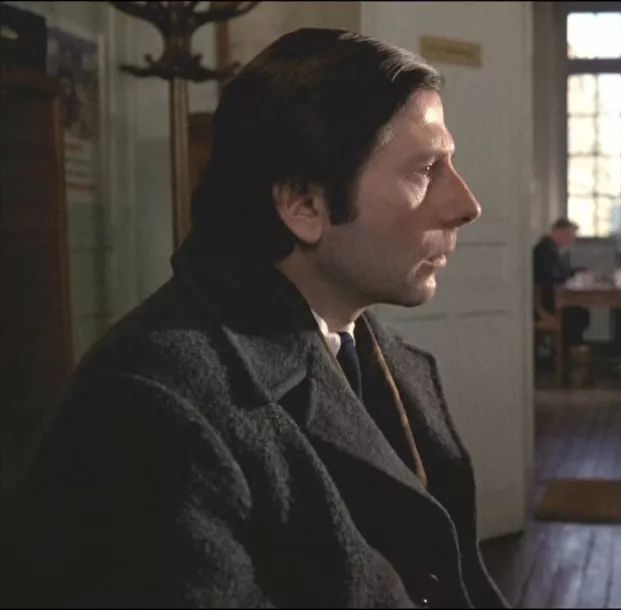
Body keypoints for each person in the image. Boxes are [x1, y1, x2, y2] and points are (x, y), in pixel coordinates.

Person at [0, 29, 506, 608]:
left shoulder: (386, 359)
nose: (467, 204)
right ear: (304, 204)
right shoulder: (148, 409)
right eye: (425, 170)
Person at [532, 217, 589, 346]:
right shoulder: (545, 251)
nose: (572, 240)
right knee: (577, 314)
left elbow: (560, 273)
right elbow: (550, 277)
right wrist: (570, 276)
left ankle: (571, 349)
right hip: (546, 302)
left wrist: (575, 272)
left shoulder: (552, 249)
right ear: (559, 232)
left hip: (552, 297)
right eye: (570, 236)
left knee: (581, 312)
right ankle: (566, 350)